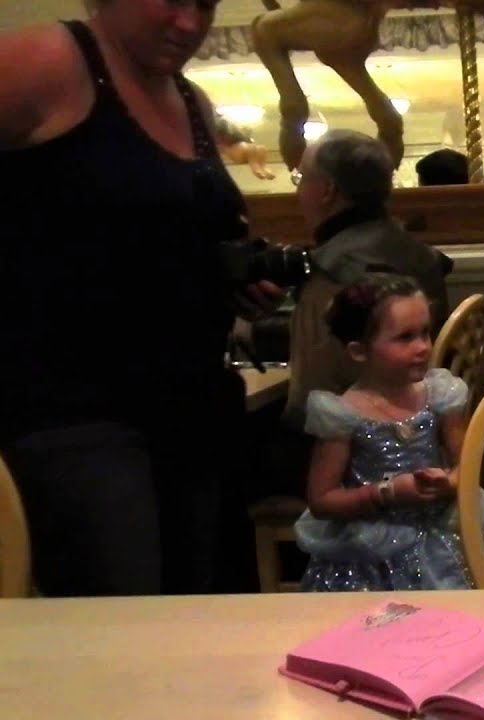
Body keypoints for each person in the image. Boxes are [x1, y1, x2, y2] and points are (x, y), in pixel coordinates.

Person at [0, 0, 284, 596]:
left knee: (187, 623)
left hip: (191, 406)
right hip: (78, 415)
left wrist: (232, 279)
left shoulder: (192, 101)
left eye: (205, 5)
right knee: (121, 625)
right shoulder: (49, 60)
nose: (190, 24)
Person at [295, 273, 484, 591]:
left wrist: (449, 482)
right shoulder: (342, 414)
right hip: (373, 551)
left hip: (443, 537)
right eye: (405, 337)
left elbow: (469, 462)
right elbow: (322, 499)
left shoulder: (439, 395)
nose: (423, 347)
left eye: (425, 333)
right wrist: (388, 492)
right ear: (359, 351)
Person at [284, 129, 452, 431]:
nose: (298, 193)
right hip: (427, 431)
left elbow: (311, 402)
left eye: (300, 179)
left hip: (353, 453)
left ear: (326, 190)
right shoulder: (423, 258)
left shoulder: (331, 274)